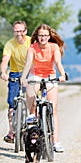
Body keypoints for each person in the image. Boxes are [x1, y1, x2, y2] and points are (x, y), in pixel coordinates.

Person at [20, 23, 67, 153]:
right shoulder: (32, 48)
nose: (43, 38)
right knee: (31, 97)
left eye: (45, 35)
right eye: (40, 35)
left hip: (50, 76)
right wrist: (23, 78)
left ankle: (55, 142)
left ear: (49, 36)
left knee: (53, 109)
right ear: (37, 36)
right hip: (35, 75)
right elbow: (28, 63)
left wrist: (62, 74)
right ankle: (31, 115)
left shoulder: (54, 47)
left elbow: (58, 62)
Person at [0, 21, 31, 143]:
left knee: (32, 100)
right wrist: (3, 72)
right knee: (12, 104)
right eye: (16, 31)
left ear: (25, 31)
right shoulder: (9, 44)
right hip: (14, 73)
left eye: (21, 31)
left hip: (29, 73)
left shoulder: (31, 42)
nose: (19, 34)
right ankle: (11, 131)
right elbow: (5, 59)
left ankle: (35, 126)